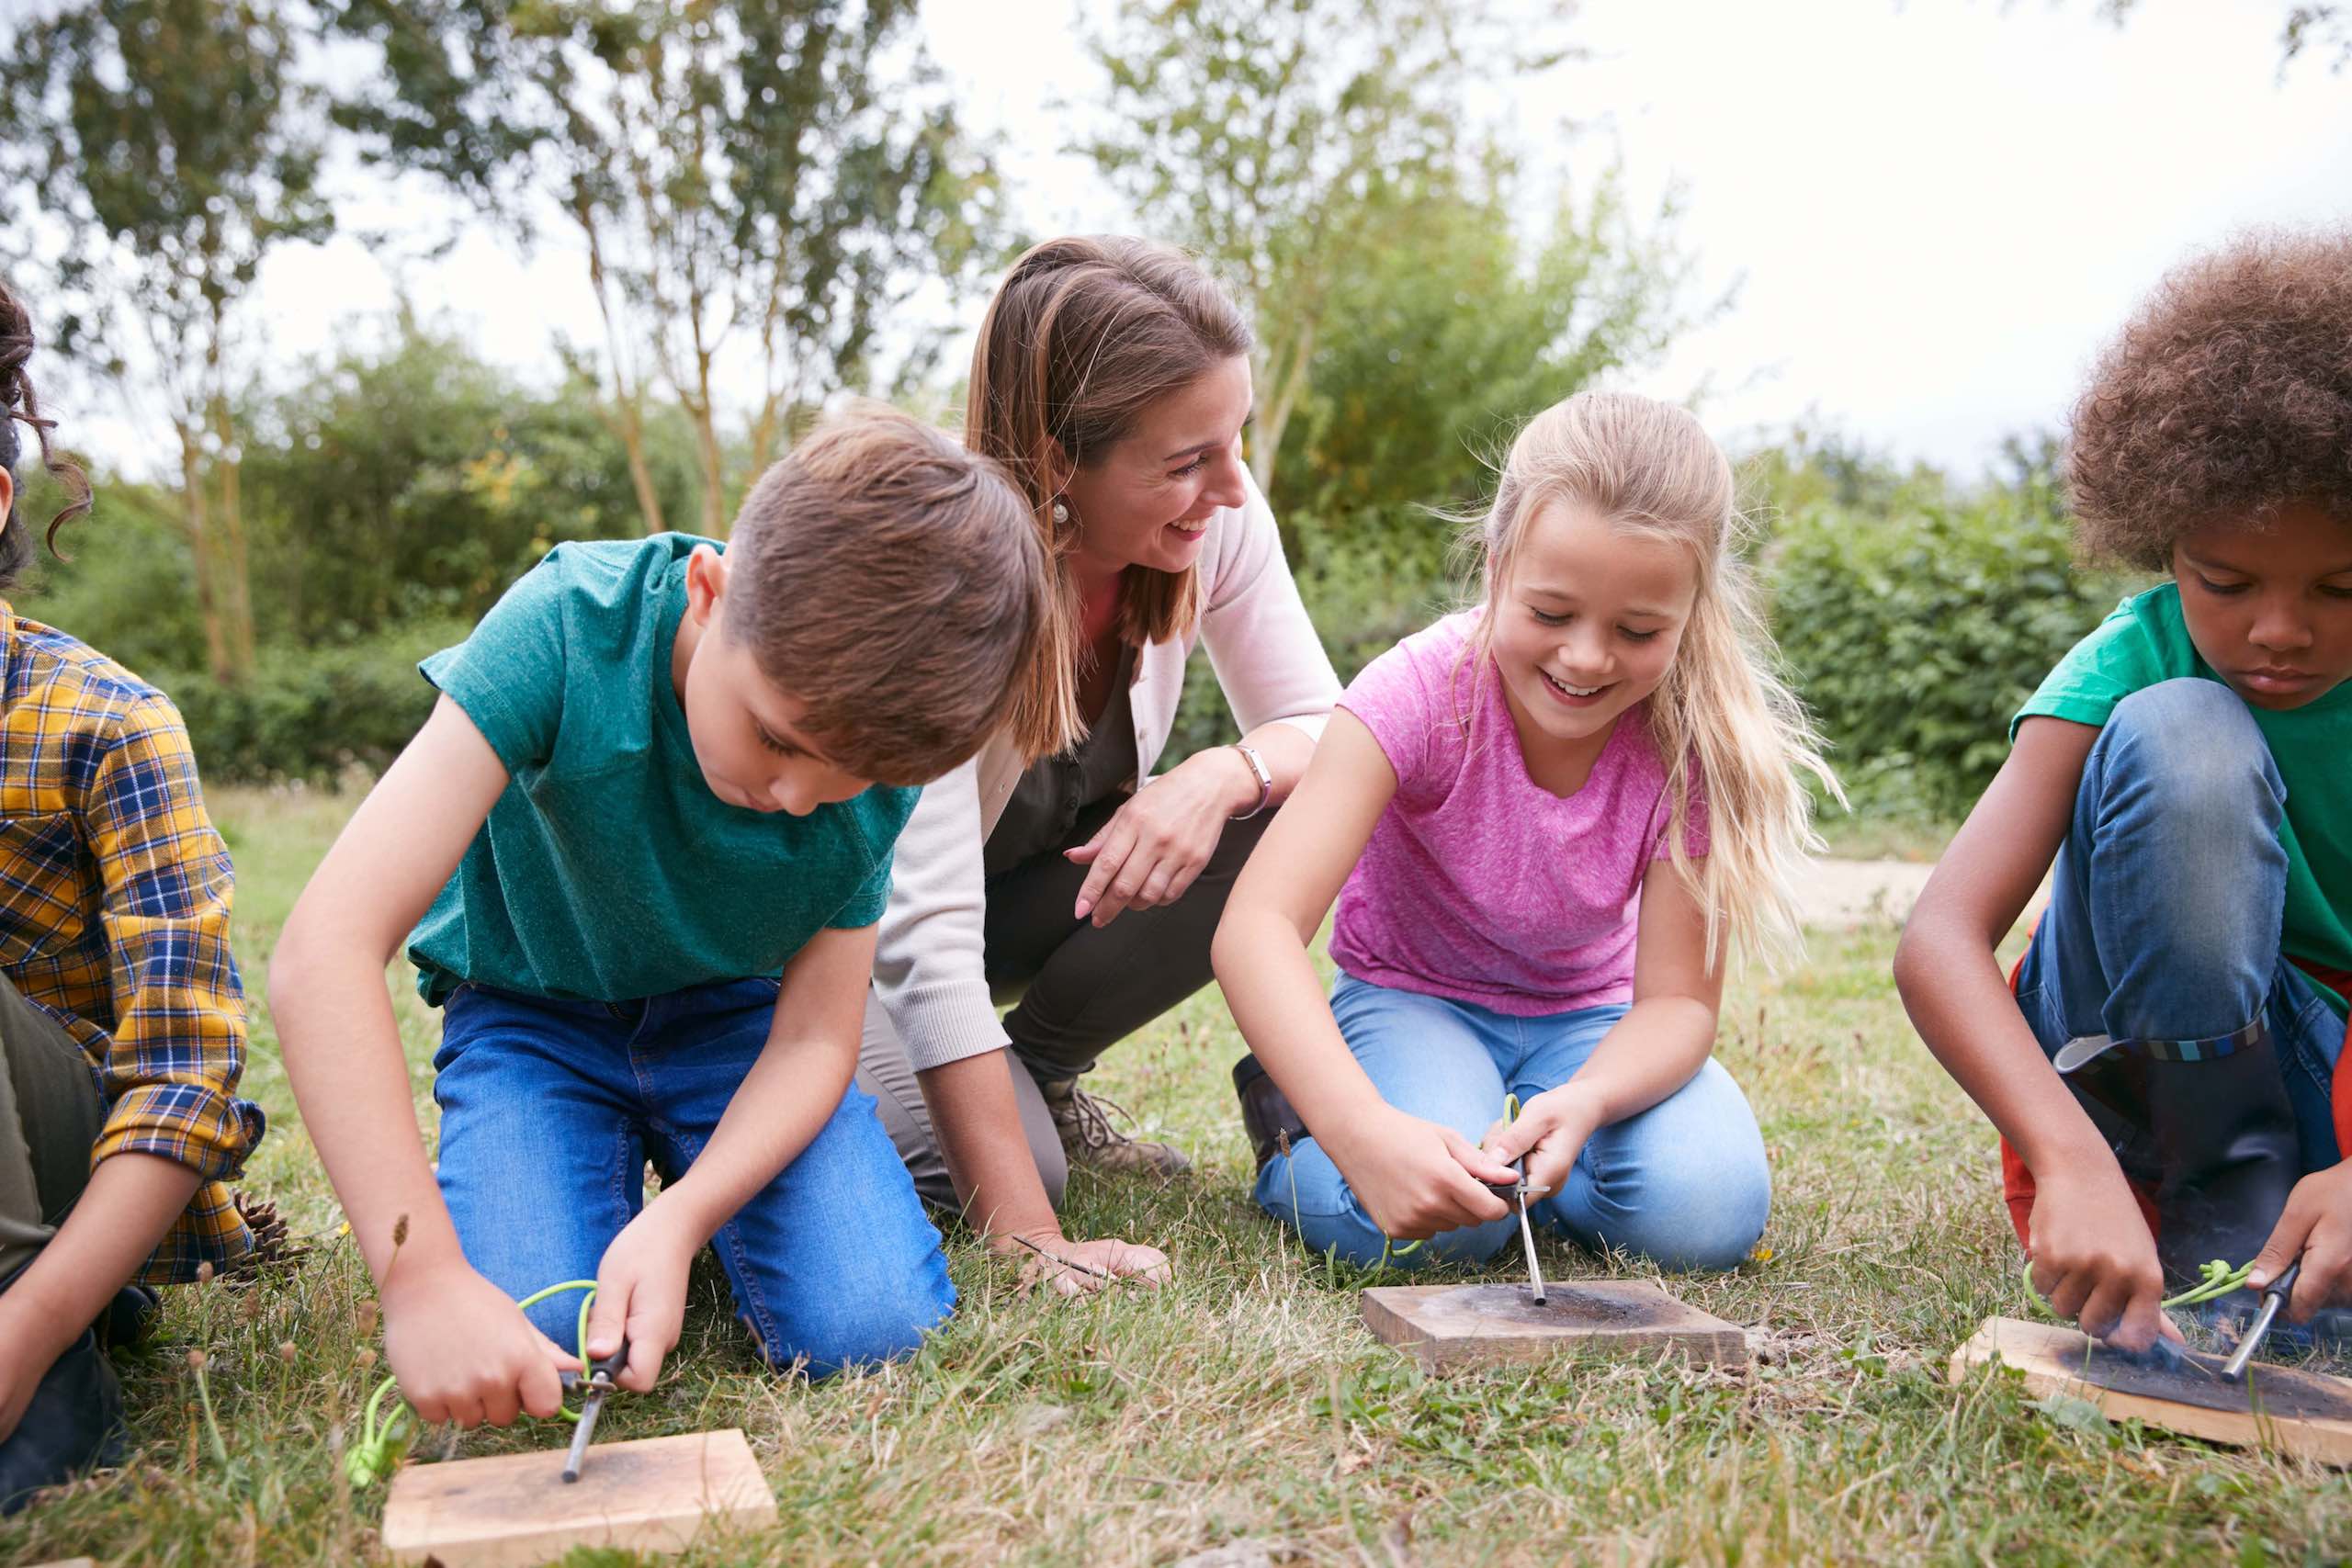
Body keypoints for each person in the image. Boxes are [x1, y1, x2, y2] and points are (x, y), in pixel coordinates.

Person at [269, 410, 1054, 1430]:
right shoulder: (563, 625)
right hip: (532, 1021)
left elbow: (818, 1035)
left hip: (734, 1025)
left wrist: (683, 1223)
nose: (794, 798)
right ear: (709, 592)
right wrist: (418, 1276)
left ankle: (687, 1203)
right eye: (776, 737)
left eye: (847, 777)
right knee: (526, 1336)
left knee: (872, 1325)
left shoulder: (882, 749)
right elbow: (322, 951)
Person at [1213, 390, 1831, 1271]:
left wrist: (1586, 1101)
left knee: (1706, 1212)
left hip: (1591, 1020)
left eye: (1639, 629)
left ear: (1694, 610)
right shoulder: (1416, 694)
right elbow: (1256, 927)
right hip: (1412, 999)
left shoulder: (1693, 745)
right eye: (1550, 614)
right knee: (1438, 1232)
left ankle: (1520, 1186)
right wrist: (1366, 1133)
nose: (1586, 657)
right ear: (1497, 564)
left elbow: (1677, 1003)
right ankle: (1298, 1149)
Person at [1895, 228, 2352, 1353]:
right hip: (2129, 1086)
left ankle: (2276, 1219)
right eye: (2226, 582)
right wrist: (2068, 1161)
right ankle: (2210, 1195)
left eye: (2342, 587)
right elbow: (1938, 939)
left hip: (2326, 1090)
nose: (2280, 630)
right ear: (2162, 535)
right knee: (2183, 732)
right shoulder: (2129, 664)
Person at [858, 237, 1340, 1291]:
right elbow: (923, 932)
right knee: (993, 1174)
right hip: (845, 939)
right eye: (1185, 462)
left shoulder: (1221, 522)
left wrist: (1223, 773)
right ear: (1055, 459)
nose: (1231, 485)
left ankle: (1038, 1073)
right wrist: (1030, 1231)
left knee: (1280, 810)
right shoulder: (941, 571)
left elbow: (1329, 726)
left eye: (1235, 439)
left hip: (1012, 904)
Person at [0, 277, 266, 1511]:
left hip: (65, 1182)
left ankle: (46, 1385)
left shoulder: (106, 721)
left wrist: (39, 1319)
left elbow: (182, 1074)